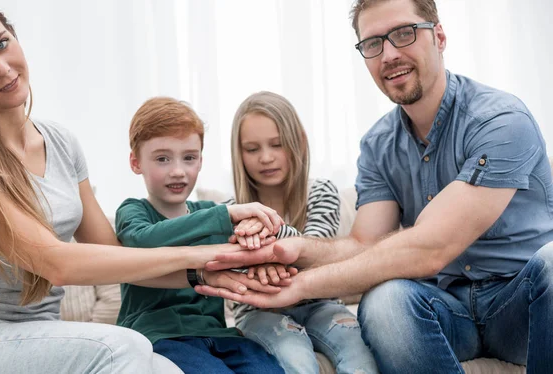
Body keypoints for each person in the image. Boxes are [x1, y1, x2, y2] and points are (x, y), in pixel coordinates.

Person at [198, 0, 553, 373]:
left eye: (403, 34)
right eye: (373, 44)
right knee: (385, 301)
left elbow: (432, 247)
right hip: (451, 312)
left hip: (524, 308)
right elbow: (363, 244)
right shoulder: (379, 143)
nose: (389, 54)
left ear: (440, 36)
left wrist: (302, 285)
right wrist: (294, 249)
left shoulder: (499, 120)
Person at [0, 2, 282, 373]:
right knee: (123, 347)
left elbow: (113, 257)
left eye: (1, 44)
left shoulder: (60, 143)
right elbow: (57, 264)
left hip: (42, 330)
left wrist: (203, 276)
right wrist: (201, 255)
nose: (1, 68)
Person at [114, 96, 287, 374]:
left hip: (220, 335)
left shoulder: (209, 212)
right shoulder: (133, 211)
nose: (178, 171)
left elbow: (248, 252)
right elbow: (143, 240)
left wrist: (257, 233)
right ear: (136, 163)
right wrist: (226, 215)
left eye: (189, 158)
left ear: (201, 161)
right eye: (162, 159)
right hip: (160, 337)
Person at [224, 91, 378, 374]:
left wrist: (268, 234)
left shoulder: (321, 192)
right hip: (260, 312)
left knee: (360, 356)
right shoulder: (230, 212)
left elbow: (314, 253)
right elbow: (240, 278)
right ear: (239, 153)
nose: (266, 158)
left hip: (321, 303)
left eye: (277, 144)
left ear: (299, 142)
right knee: (296, 361)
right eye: (252, 149)